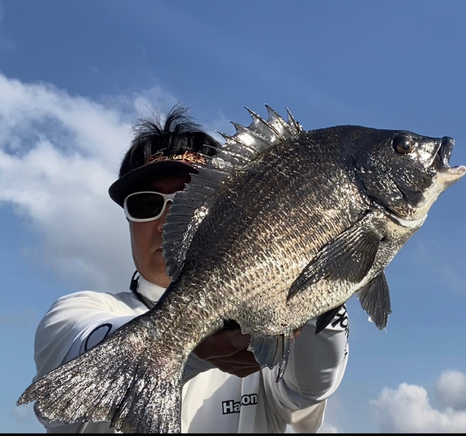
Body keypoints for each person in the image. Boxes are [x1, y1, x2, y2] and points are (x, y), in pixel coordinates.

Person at [31, 106, 349, 433]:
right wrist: (182, 342)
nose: (168, 221)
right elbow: (74, 367)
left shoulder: (273, 323)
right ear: (127, 220)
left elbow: (311, 386)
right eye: (146, 204)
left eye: (189, 198)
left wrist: (318, 274)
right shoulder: (74, 312)